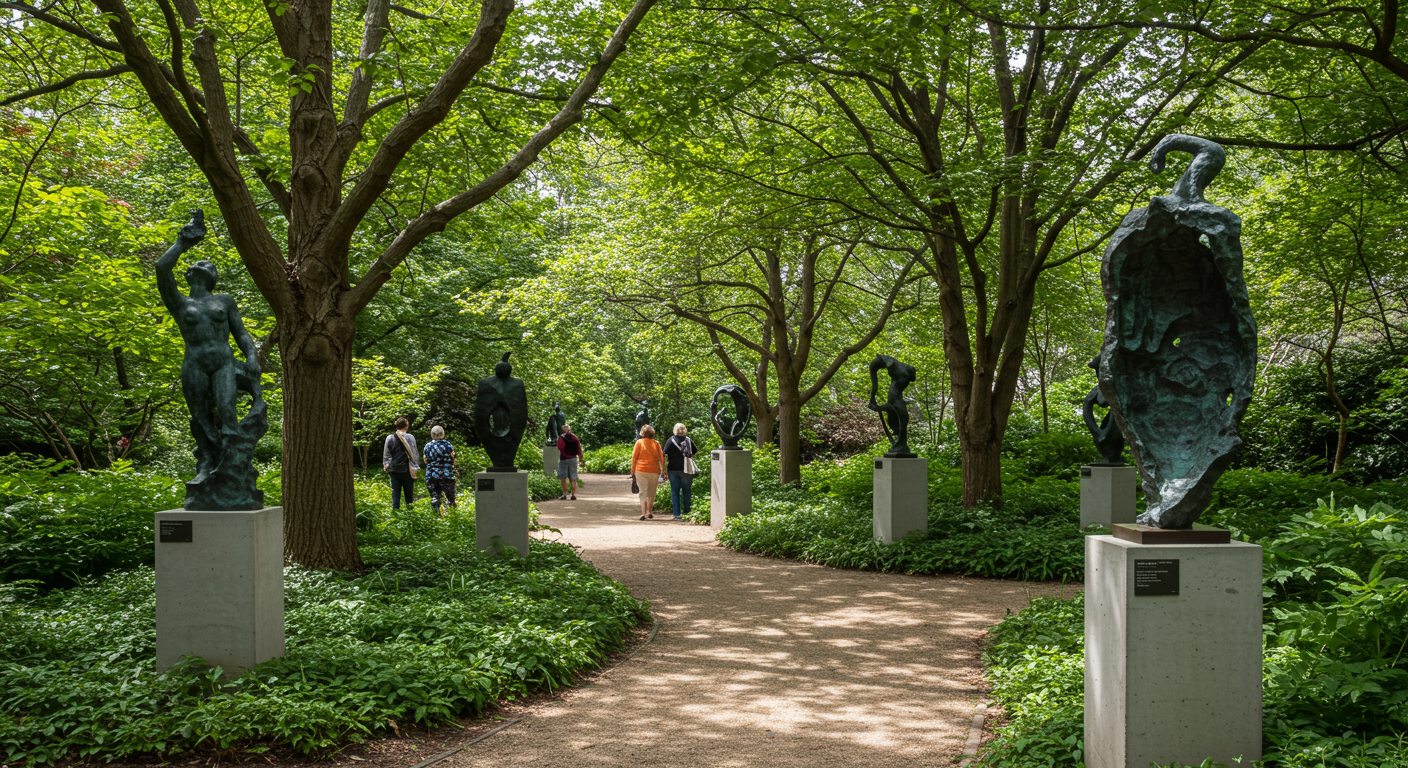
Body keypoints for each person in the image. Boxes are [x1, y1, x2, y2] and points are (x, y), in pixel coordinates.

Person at [382, 417, 420, 510]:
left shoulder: (390, 438)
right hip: (407, 469)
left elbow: (386, 454)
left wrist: (386, 464)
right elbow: (414, 454)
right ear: (406, 426)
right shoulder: (410, 437)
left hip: (393, 469)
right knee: (408, 492)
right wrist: (416, 467)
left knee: (395, 492)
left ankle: (395, 512)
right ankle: (410, 512)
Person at [662, 423, 697, 520]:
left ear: (675, 430)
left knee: (674, 491)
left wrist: (663, 468)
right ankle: (687, 512)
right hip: (686, 469)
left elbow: (664, 452)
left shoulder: (671, 440)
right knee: (687, 491)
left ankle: (677, 514)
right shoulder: (688, 440)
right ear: (685, 430)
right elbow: (694, 451)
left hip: (673, 469)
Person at [631, 424, 666, 520]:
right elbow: (661, 459)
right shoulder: (656, 443)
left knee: (643, 491)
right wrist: (664, 471)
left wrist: (632, 471)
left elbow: (634, 458)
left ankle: (643, 513)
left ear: (642, 433)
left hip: (641, 469)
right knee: (651, 491)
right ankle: (649, 512)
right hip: (654, 470)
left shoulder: (639, 443)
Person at [423, 425, 457, 514]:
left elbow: (426, 460)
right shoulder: (448, 445)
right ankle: (453, 516)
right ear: (443, 434)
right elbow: (452, 458)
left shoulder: (428, 446)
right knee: (451, 498)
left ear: (432, 435)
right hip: (447, 475)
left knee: (435, 497)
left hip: (432, 476)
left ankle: (436, 516)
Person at [556, 423, 583, 500]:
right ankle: (573, 494)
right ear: (570, 430)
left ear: (562, 431)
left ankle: (564, 494)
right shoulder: (574, 437)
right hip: (573, 459)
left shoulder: (561, 437)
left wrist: (565, 454)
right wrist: (580, 457)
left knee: (563, 477)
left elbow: (560, 447)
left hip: (564, 459)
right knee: (573, 477)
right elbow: (579, 447)